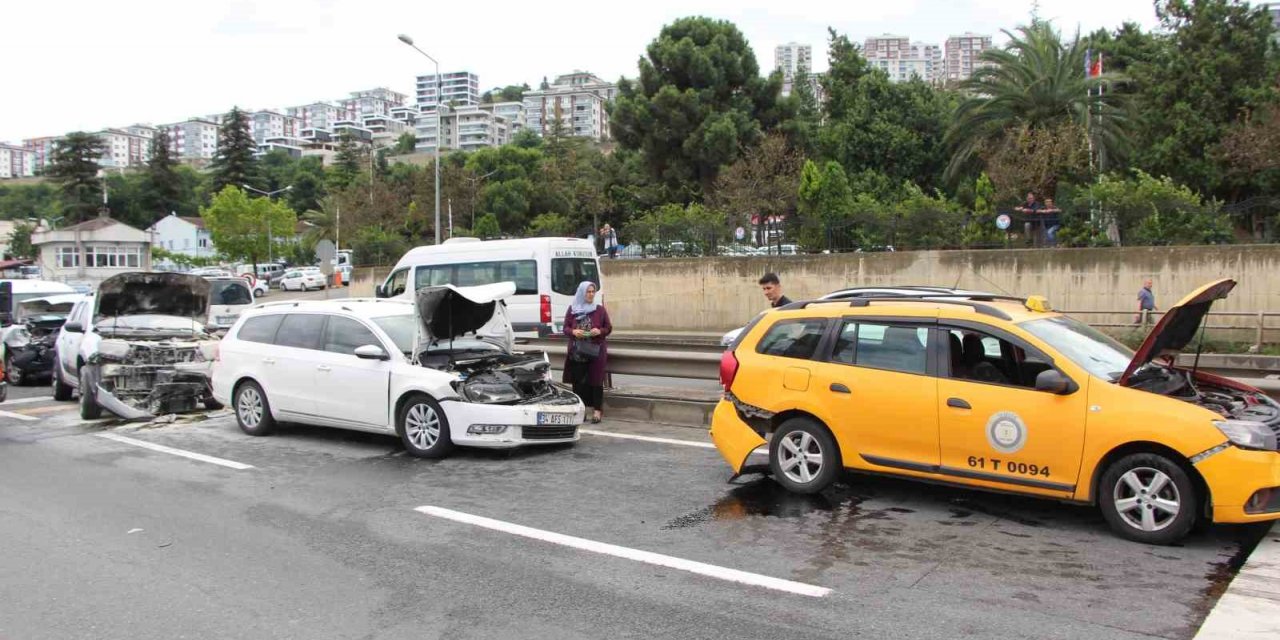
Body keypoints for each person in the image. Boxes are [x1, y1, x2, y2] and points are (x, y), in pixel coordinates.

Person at [563, 281, 611, 423]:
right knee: (579, 382)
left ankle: (597, 411)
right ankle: (581, 411)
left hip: (596, 350)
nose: (590, 294)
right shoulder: (573, 309)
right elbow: (565, 328)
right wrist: (574, 331)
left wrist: (599, 331)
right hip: (578, 350)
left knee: (596, 380)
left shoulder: (600, 310)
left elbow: (608, 327)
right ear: (581, 293)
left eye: (592, 292)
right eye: (588, 292)